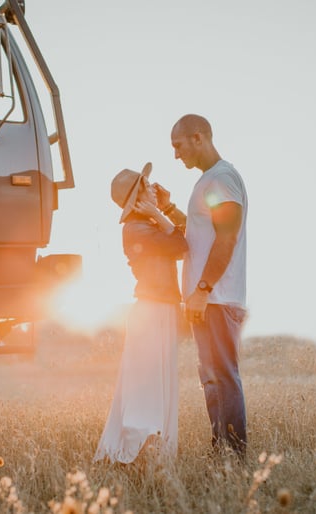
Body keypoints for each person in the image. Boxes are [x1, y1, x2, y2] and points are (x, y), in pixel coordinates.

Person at [165, 114, 249, 457]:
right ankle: (221, 451)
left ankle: (234, 455)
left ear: (198, 138)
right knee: (212, 378)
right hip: (207, 297)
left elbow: (226, 239)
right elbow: (200, 234)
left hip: (215, 296)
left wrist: (201, 289)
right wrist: (168, 208)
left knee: (223, 377)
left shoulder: (221, 179)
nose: (176, 155)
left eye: (178, 145)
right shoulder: (211, 181)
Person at [93, 162, 188, 464]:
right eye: (146, 186)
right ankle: (132, 452)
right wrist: (160, 213)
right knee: (145, 386)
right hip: (152, 310)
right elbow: (182, 245)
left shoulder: (147, 224)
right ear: (137, 198)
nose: (153, 186)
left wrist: (168, 206)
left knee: (156, 383)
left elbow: (189, 232)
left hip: (162, 308)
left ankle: (153, 452)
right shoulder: (137, 228)